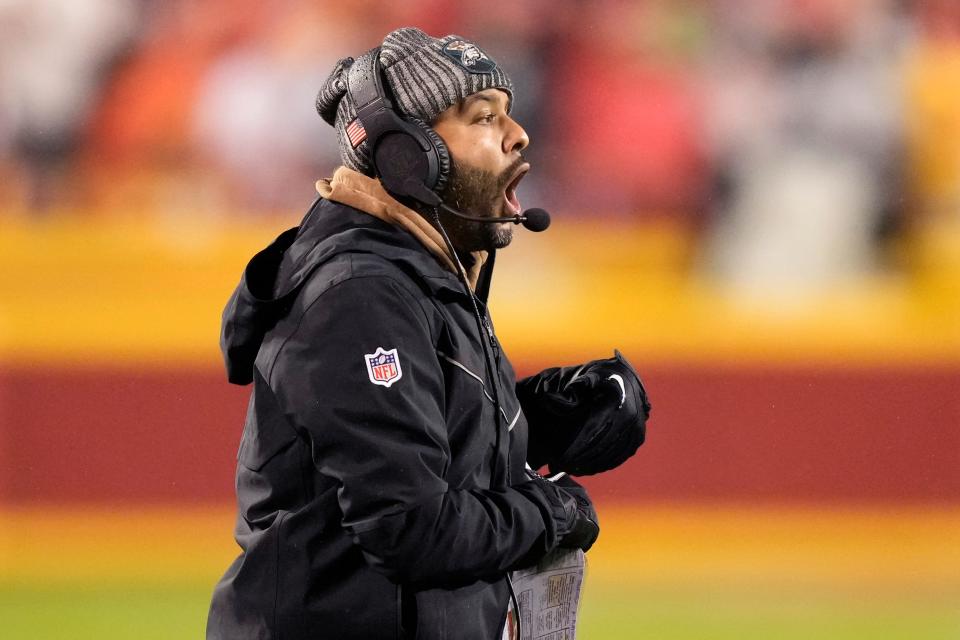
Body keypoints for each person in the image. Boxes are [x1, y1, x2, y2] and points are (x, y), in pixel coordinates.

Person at [207, 27, 650, 640]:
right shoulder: (360, 295)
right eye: (483, 118)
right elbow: (413, 529)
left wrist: (535, 420)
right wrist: (554, 511)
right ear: (408, 158)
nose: (518, 135)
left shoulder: (420, 272)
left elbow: (414, 447)